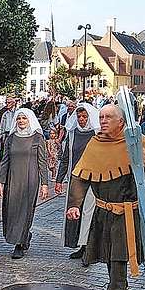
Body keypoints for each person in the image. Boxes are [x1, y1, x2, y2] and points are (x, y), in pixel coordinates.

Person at [66, 103, 145, 290]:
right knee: (112, 263)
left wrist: (141, 162)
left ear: (121, 121)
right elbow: (80, 176)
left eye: (108, 117)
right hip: (103, 214)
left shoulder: (137, 142)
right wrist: (74, 205)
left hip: (126, 216)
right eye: (101, 116)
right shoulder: (95, 144)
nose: (104, 120)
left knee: (117, 265)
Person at [0, 109, 50, 259]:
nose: (21, 121)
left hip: (30, 180)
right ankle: (25, 236)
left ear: (29, 120)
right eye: (18, 118)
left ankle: (19, 244)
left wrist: (44, 184)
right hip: (12, 179)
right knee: (12, 211)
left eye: (24, 118)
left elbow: (42, 162)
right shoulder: (11, 138)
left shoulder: (37, 138)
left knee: (24, 211)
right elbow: (4, 161)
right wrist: (1, 182)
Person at [56, 102, 100, 259]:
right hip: (75, 180)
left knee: (88, 212)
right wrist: (59, 179)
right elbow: (66, 158)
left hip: (92, 180)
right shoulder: (73, 133)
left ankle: (88, 247)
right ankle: (80, 245)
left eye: (84, 116)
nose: (81, 119)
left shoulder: (97, 134)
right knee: (75, 212)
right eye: (79, 116)